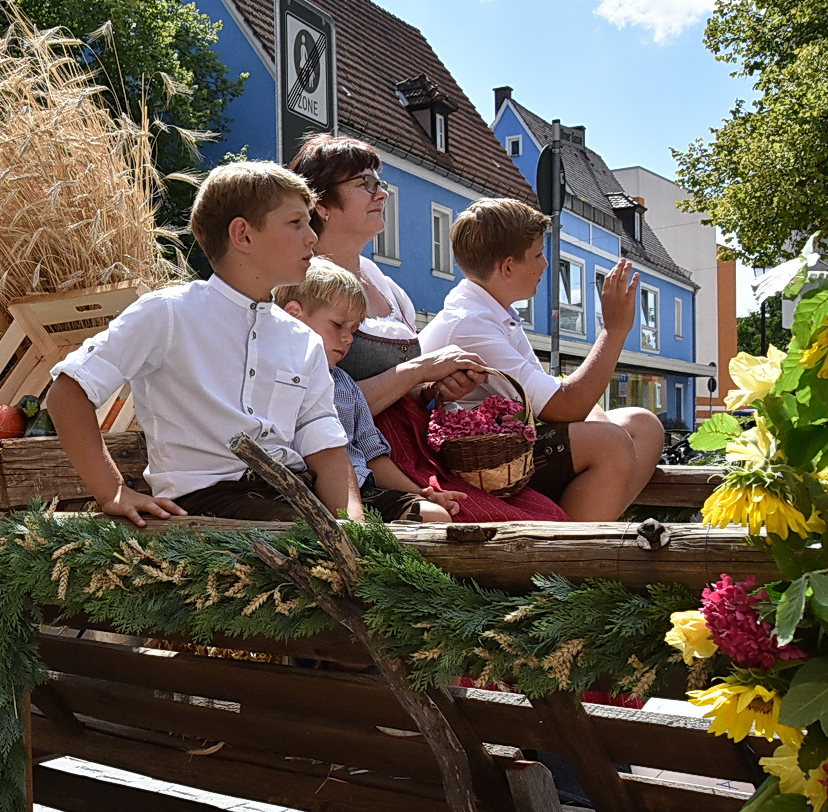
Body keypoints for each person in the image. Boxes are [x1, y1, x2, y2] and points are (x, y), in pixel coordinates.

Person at [48, 161, 353, 525]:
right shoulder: (168, 313)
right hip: (205, 500)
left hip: (291, 493)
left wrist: (356, 530)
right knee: (301, 530)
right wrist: (112, 491)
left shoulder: (303, 340)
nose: (312, 237)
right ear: (243, 235)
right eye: (295, 223)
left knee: (417, 517)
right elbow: (67, 393)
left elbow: (326, 448)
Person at [287, 134, 569, 523]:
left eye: (378, 182)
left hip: (419, 442)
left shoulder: (381, 281)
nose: (380, 194)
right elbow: (314, 405)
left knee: (545, 513)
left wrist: (435, 389)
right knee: (512, 527)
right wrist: (420, 370)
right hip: (369, 458)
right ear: (322, 204)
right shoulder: (303, 285)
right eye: (363, 184)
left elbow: (414, 391)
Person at [418, 199, 665, 520]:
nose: (546, 265)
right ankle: (572, 556)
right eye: (538, 255)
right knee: (609, 443)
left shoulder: (492, 313)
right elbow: (563, 406)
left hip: (504, 447)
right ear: (507, 267)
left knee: (642, 426)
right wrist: (614, 330)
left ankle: (595, 530)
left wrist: (591, 413)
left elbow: (553, 397)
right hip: (477, 462)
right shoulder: (471, 324)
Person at [274, 259, 466, 522]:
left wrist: (422, 494)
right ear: (293, 314)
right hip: (295, 491)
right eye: (339, 325)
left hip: (361, 491)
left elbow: (373, 456)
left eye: (354, 330)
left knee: (433, 516)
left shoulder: (345, 384)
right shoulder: (270, 376)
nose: (348, 338)